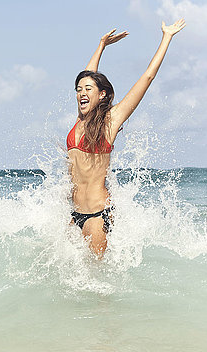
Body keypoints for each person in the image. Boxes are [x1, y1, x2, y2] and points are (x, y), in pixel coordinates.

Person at [66, 19, 186, 257]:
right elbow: (89, 77)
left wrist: (167, 37)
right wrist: (101, 45)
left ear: (102, 95)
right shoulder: (79, 120)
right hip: (74, 212)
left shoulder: (111, 121)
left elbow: (147, 78)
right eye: (79, 89)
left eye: (88, 89)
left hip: (98, 216)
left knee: (98, 283)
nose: (82, 92)